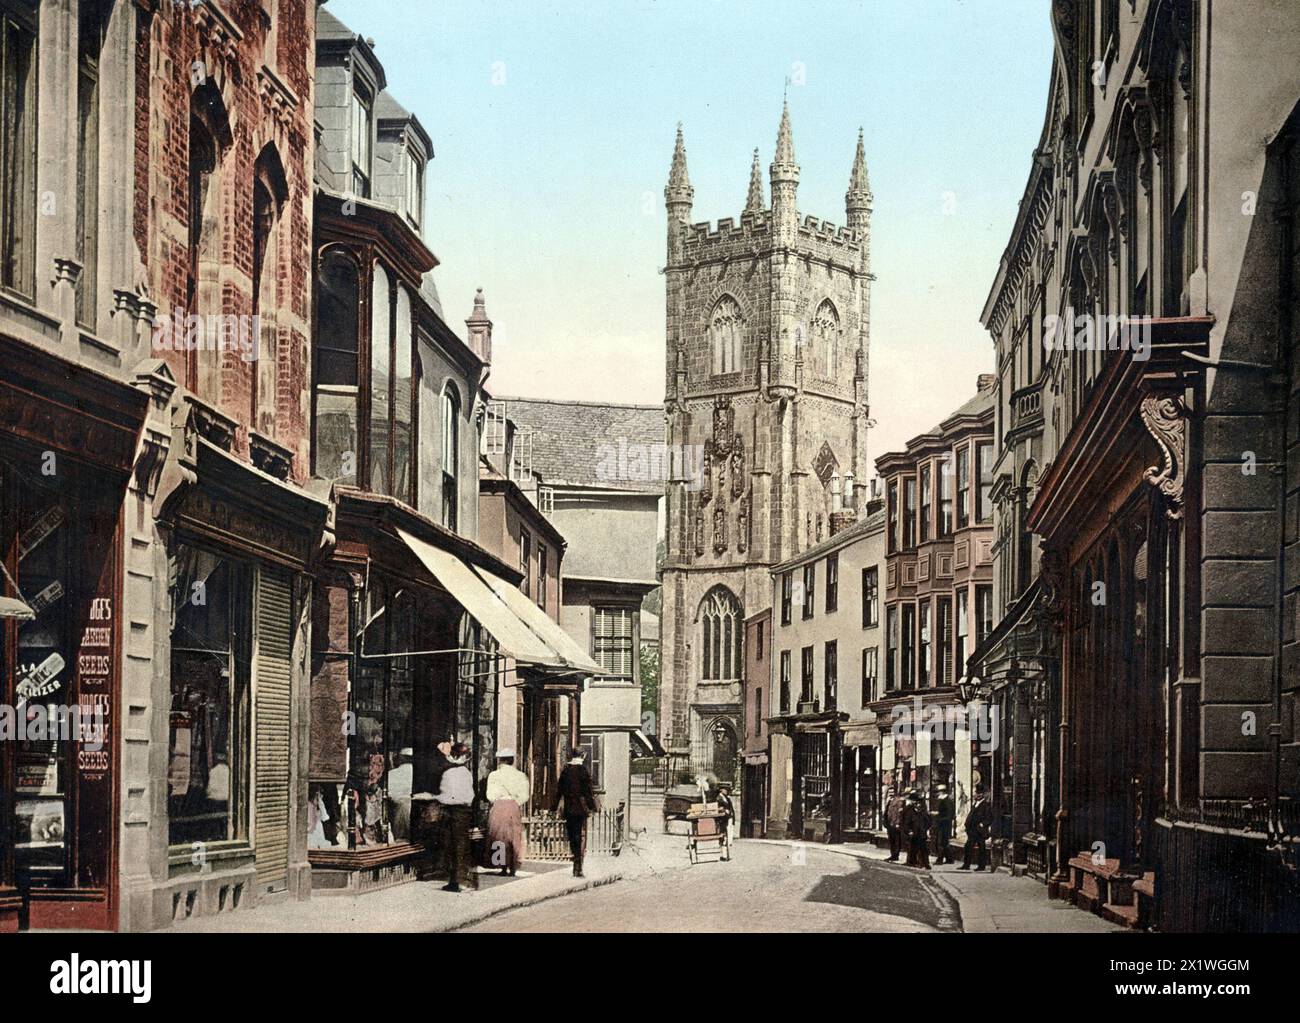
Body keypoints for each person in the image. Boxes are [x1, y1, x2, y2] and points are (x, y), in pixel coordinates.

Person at [434, 742, 476, 892]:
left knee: (451, 846)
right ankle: (460, 880)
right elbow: (469, 795)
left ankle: (455, 880)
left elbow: (444, 794)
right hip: (463, 812)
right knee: (460, 846)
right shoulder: (466, 773)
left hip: (450, 812)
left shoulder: (447, 773)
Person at [554, 747, 598, 877]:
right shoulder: (583, 770)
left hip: (568, 808)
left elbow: (559, 791)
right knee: (580, 835)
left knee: (572, 836)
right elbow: (588, 792)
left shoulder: (566, 770)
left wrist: (553, 807)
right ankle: (578, 865)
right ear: (583, 756)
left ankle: (576, 861)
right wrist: (593, 807)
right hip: (580, 809)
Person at [485, 748, 530, 876]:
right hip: (513, 806)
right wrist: (515, 802)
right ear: (512, 760)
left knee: (498, 836)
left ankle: (502, 866)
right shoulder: (521, 775)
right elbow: (525, 795)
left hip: (499, 806)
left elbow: (490, 795)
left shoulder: (494, 775)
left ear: (500, 760)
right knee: (514, 836)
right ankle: (513, 866)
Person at [959, 783, 992, 871]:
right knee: (968, 847)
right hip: (972, 830)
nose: (976, 795)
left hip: (980, 830)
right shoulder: (975, 804)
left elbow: (989, 818)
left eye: (978, 793)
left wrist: (982, 824)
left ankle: (981, 866)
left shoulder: (986, 805)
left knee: (981, 848)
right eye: (976, 793)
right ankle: (966, 865)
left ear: (982, 795)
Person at [902, 789, 931, 870]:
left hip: (921, 833)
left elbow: (928, 822)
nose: (918, 805)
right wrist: (909, 830)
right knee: (912, 848)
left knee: (923, 849)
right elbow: (907, 822)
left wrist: (925, 829)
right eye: (916, 803)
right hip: (914, 833)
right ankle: (911, 862)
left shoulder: (923, 813)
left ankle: (925, 864)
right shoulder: (910, 811)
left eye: (919, 803)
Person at [933, 784, 955, 865]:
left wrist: (937, 816)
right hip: (943, 824)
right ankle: (949, 858)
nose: (937, 794)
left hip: (944, 825)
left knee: (941, 842)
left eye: (938, 792)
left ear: (941, 792)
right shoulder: (944, 801)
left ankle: (940, 859)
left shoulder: (946, 801)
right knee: (944, 842)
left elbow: (949, 815)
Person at [883, 788, 906, 862]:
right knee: (891, 840)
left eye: (892, 792)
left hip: (895, 824)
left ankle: (895, 855)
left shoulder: (898, 801)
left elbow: (899, 814)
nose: (891, 793)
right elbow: (887, 812)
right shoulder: (889, 800)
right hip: (889, 823)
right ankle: (893, 855)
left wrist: (897, 823)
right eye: (889, 792)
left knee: (896, 840)